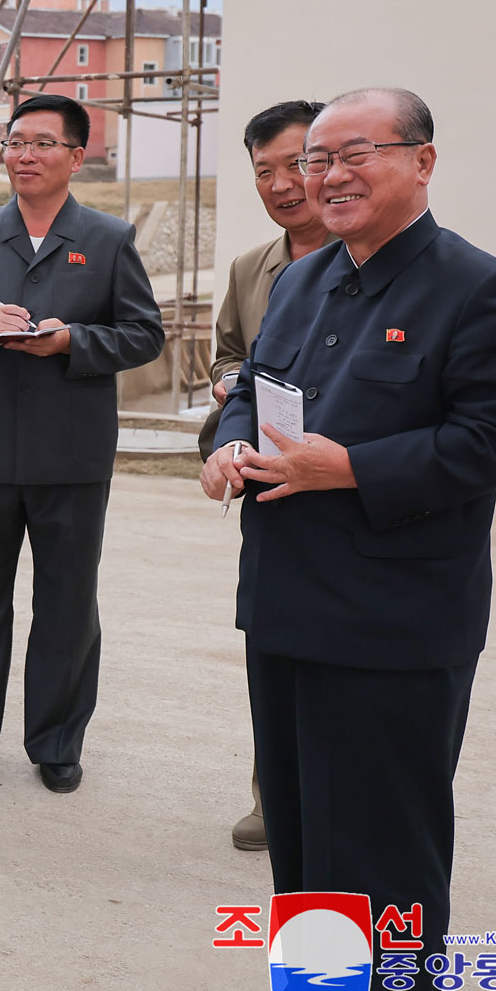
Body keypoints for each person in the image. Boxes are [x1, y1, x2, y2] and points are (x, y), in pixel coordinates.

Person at [203, 88, 496, 991]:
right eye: (317, 159)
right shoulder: (303, 279)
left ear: (422, 160)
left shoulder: (477, 286)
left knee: (384, 848)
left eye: (358, 152)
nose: (329, 175)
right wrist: (228, 442)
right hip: (284, 601)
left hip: (393, 621)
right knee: (308, 835)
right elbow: (253, 387)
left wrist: (352, 467)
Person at [0, 93, 164, 796]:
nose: (25, 154)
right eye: (15, 140)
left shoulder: (110, 236)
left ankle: (56, 741)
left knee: (66, 604)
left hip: (72, 454)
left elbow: (144, 332)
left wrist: (73, 341)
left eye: (42, 142)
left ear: (75, 155)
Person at [197, 100, 334, 853]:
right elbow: (227, 355)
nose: (284, 184)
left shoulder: (374, 265)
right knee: (274, 649)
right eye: (264, 171)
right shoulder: (255, 269)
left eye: (297, 164)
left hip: (351, 490)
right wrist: (229, 391)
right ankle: (272, 797)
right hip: (272, 490)